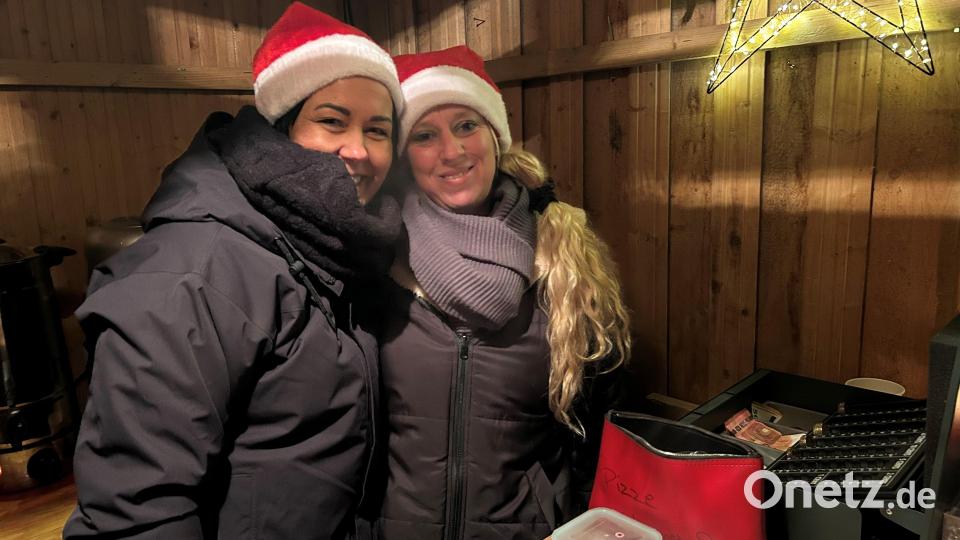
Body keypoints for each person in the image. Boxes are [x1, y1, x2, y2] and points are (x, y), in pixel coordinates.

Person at [63, 3, 403, 538]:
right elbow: (136, 511)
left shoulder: (342, 250)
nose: (358, 150)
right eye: (332, 121)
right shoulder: (194, 272)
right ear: (280, 127)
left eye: (378, 130)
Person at [376, 45, 632, 539]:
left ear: (495, 136)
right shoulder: (378, 260)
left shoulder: (564, 260)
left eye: (467, 126)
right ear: (405, 155)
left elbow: (597, 424)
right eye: (425, 135)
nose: (452, 152)